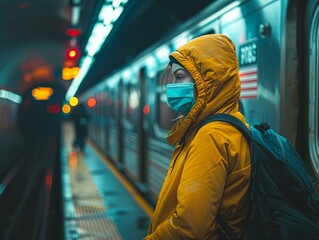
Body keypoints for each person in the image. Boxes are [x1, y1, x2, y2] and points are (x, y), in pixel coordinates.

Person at [144, 34, 251, 239]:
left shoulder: (210, 136)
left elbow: (188, 228)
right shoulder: (233, 124)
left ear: (207, 81)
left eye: (180, 76)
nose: (172, 85)